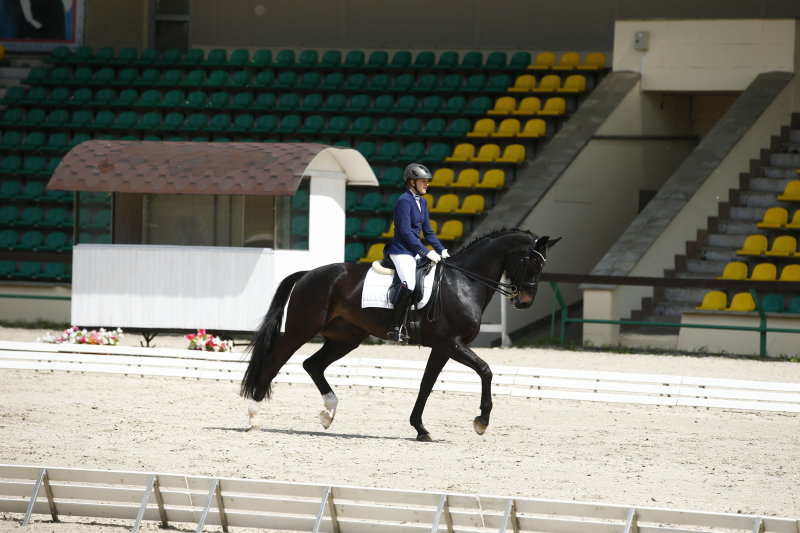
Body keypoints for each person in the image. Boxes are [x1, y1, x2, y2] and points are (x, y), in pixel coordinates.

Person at [383, 163, 450, 343]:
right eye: (423, 181)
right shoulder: (404, 201)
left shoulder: (423, 201)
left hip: (414, 251)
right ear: (412, 182)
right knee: (410, 284)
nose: (427, 184)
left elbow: (428, 232)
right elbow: (405, 232)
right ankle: (395, 327)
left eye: (427, 181)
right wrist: (426, 252)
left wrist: (441, 249)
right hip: (401, 251)